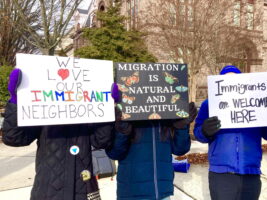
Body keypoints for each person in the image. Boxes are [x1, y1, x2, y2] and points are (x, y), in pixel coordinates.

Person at [2, 68, 116, 200]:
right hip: (47, 191)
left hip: (83, 190)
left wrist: (106, 110)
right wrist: (16, 103)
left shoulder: (88, 111)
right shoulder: (42, 110)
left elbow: (102, 141)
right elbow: (14, 138)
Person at [193, 65, 267, 200]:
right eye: (227, 83)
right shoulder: (208, 105)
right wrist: (204, 131)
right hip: (221, 172)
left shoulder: (256, 105)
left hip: (251, 171)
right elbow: (198, 133)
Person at [106, 103, 197, 200]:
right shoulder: (124, 106)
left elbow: (180, 149)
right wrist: (122, 130)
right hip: (131, 193)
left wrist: (182, 126)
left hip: (162, 193)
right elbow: (114, 153)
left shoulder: (169, 109)